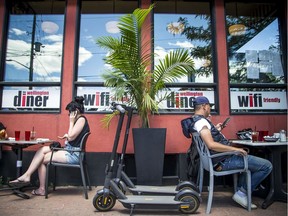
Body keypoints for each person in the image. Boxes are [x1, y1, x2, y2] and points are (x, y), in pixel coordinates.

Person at [190, 96, 272, 209]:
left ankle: (241, 191)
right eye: (209, 106)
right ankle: (242, 193)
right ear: (204, 106)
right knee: (267, 165)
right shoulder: (201, 122)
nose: (210, 109)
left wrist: (217, 130)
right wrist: (236, 149)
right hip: (223, 161)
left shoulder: (197, 121)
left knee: (248, 162)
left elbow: (209, 139)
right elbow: (211, 144)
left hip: (219, 160)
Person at [9, 96, 90, 196]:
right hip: (70, 150)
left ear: (76, 111)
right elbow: (72, 136)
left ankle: (41, 188)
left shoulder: (81, 119)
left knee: (42, 160)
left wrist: (71, 122)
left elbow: (72, 137)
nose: (69, 115)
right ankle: (27, 175)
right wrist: (67, 136)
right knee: (42, 149)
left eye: (70, 112)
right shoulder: (80, 120)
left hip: (73, 155)